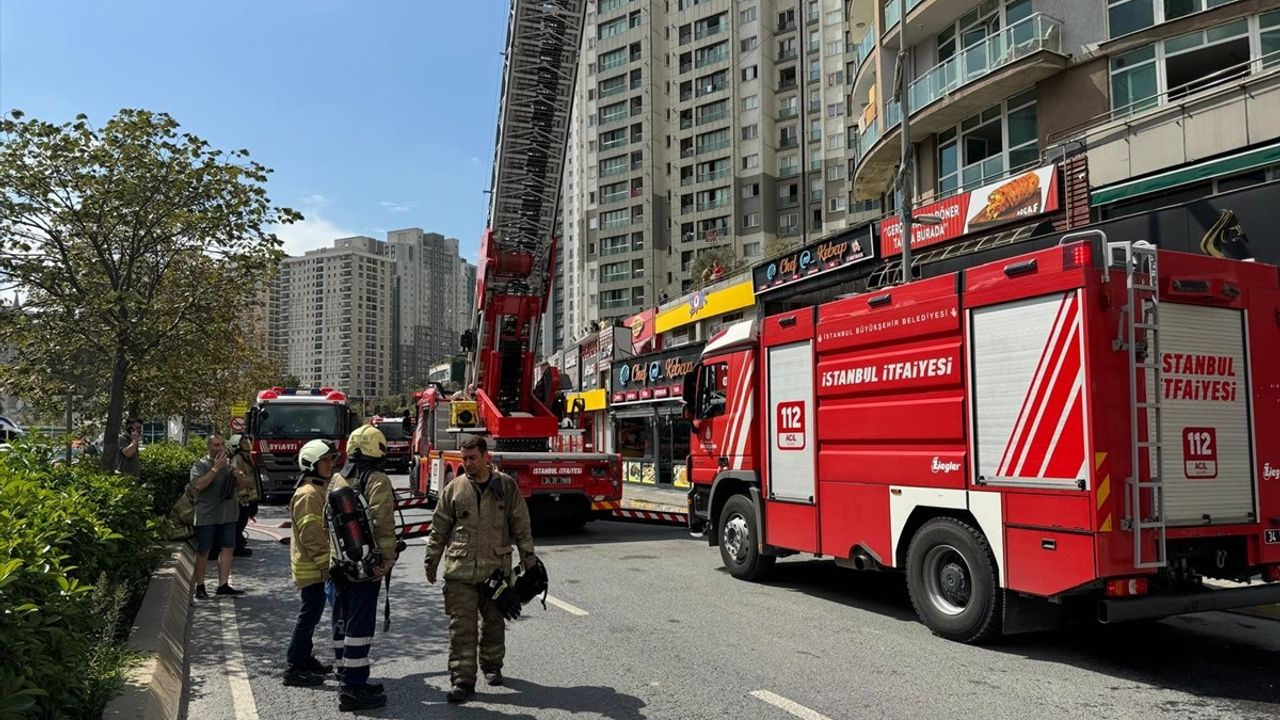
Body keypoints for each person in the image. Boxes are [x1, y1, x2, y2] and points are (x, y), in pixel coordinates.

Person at [424, 435, 536, 704]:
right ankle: (462, 679)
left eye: (473, 458)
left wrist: (529, 562)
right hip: (460, 571)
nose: (468, 463)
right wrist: (431, 561)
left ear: (487, 457)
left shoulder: (506, 487)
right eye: (464, 459)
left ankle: (492, 665)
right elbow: (439, 527)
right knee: (462, 627)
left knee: (495, 623)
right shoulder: (455, 488)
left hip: (495, 571)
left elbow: (521, 526)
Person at [327, 424, 398, 712]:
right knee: (361, 624)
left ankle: (345, 672)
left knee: (341, 618)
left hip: (340, 565)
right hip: (366, 567)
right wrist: (386, 561)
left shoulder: (337, 478)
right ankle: (354, 688)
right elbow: (382, 522)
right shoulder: (377, 478)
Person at [283, 439, 338, 687]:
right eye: (325, 460)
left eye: (331, 459)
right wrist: (328, 566)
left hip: (316, 565)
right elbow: (312, 535)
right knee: (308, 616)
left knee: (312, 615)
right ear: (311, 464)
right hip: (313, 566)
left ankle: (304, 659)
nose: (330, 464)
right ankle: (294, 667)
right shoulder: (308, 494)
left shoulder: (317, 489)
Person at [190, 434, 249, 598]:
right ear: (208, 447)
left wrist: (239, 476)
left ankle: (223, 585)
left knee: (228, 548)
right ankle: (200, 587)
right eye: (216, 445)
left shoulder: (229, 465)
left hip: (228, 514)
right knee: (204, 550)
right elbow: (198, 485)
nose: (221, 448)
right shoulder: (200, 465)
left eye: (223, 444)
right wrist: (215, 468)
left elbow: (242, 486)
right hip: (207, 515)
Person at [228, 434, 262, 557]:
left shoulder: (247, 457)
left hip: (250, 497)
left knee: (242, 522)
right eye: (243, 442)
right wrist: (243, 499)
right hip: (243, 499)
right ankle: (237, 547)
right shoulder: (238, 458)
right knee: (239, 523)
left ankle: (239, 543)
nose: (247, 443)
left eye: (247, 440)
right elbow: (238, 479)